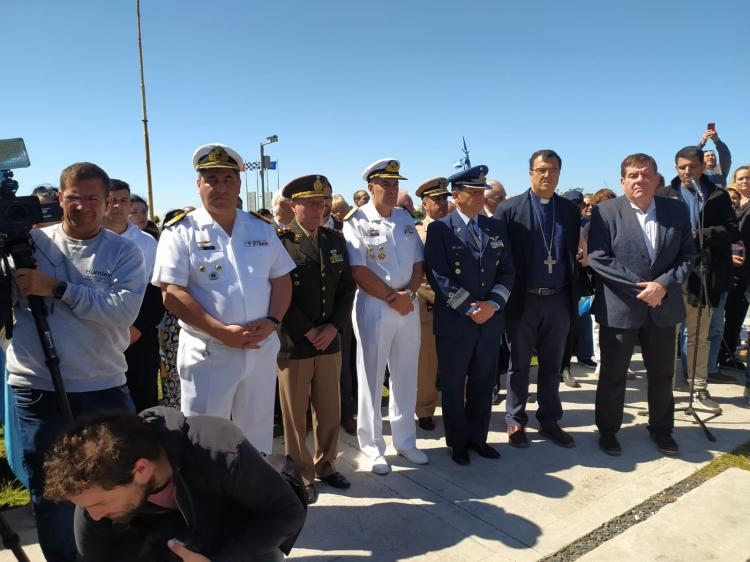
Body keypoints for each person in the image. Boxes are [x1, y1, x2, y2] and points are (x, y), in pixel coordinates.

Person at [6, 162, 146, 561]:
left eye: (91, 199)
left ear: (107, 203)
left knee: (118, 484)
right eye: (73, 198)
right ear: (58, 199)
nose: (81, 207)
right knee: (51, 491)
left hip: (102, 385)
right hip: (37, 389)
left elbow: (121, 312)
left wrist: (58, 289)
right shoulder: (31, 244)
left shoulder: (124, 251)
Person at [152, 143, 295, 453]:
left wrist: (272, 321)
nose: (220, 187)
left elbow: (282, 279)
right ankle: (208, 500)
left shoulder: (260, 228)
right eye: (211, 180)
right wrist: (220, 332)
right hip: (210, 351)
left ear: (238, 184)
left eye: (227, 180)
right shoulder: (180, 231)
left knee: (256, 435)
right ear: (198, 184)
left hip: (259, 346)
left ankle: (254, 495)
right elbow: (172, 293)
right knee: (204, 438)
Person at [43, 408, 306, 562]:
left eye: (100, 504)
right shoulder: (94, 497)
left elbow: (287, 512)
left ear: (141, 470)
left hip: (232, 547)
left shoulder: (220, 449)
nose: (94, 515)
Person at [588, 153, 696, 456]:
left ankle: (661, 429)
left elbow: (687, 255)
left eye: (646, 174)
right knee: (613, 375)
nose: (640, 180)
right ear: (623, 181)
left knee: (663, 374)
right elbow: (598, 257)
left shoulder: (675, 211)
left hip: (663, 306)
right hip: (621, 308)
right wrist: (640, 289)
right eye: (633, 175)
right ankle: (608, 431)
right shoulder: (606, 212)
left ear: (656, 179)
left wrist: (662, 285)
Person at [343, 158, 427, 474]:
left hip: (408, 303)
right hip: (375, 306)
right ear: (371, 187)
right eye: (385, 184)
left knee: (406, 375)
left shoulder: (405, 218)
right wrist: (393, 297)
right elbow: (359, 269)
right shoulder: (356, 221)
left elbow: (419, 262)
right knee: (371, 377)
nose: (392, 190)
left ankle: (406, 442)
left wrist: (408, 295)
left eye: (395, 184)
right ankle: (373, 446)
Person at [425, 166, 514, 464]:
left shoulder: (495, 227)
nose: (480, 198)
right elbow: (438, 275)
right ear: (456, 195)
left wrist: (492, 305)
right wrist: (469, 307)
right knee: (453, 384)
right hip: (456, 322)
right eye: (473, 193)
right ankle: (457, 442)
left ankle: (479, 438)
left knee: (483, 382)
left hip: (489, 320)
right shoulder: (441, 228)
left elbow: (508, 271)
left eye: (481, 192)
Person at [276, 174, 356, 504]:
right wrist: (308, 330)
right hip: (296, 341)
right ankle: (300, 472)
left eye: (322, 203)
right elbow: (279, 292)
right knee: (296, 415)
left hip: (330, 340)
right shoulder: (282, 241)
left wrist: (334, 327)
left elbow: (346, 288)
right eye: (310, 203)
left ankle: (327, 463)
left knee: (329, 406)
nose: (318, 209)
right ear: (293, 205)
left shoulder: (334, 240)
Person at [494, 149, 580, 449]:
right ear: (530, 173)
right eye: (541, 169)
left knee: (553, 365)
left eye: (553, 170)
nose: (547, 175)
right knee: (518, 365)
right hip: (523, 300)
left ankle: (550, 419)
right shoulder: (510, 209)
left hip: (558, 299)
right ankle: (515, 421)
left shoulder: (569, 210)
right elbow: (501, 259)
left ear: (559, 174)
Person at [657, 146, 738, 414]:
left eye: (692, 166)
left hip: (703, 272)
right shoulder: (665, 195)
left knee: (698, 335)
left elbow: (731, 229)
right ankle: (663, 390)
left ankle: (699, 385)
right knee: (668, 334)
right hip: (670, 274)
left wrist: (698, 233)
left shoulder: (716, 195)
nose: (686, 172)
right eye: (681, 166)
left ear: (703, 167)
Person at [103, 179, 163, 411]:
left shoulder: (147, 243)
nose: (117, 206)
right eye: (112, 201)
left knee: (141, 400)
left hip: (138, 334)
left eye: (124, 201)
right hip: (99, 335)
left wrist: (137, 327)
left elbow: (156, 289)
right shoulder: (89, 238)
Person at [413, 177, 450, 431]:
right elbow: (417, 276)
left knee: (456, 361)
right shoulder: (416, 234)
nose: (443, 203)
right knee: (426, 364)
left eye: (445, 198)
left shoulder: (455, 229)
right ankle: (425, 409)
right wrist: (444, 299)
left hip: (457, 309)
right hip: (429, 307)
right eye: (437, 199)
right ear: (425, 204)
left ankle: (455, 405)